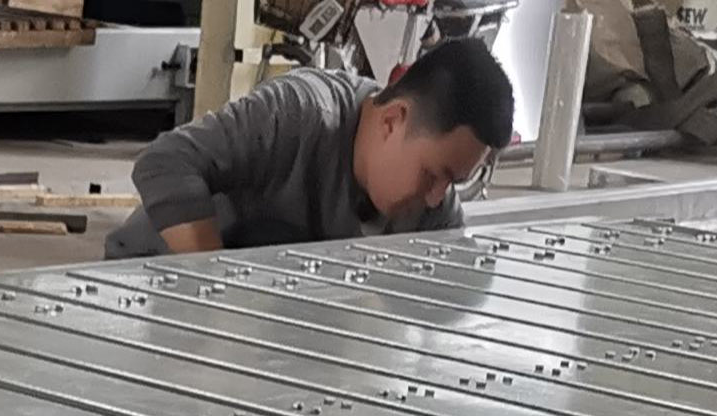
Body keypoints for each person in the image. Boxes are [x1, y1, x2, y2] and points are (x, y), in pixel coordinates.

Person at [106, 37, 517, 260]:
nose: (436, 197)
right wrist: (218, 287)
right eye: (433, 175)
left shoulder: (432, 200)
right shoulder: (300, 115)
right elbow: (165, 162)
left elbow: (458, 268)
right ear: (393, 120)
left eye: (452, 182)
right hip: (144, 279)